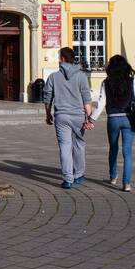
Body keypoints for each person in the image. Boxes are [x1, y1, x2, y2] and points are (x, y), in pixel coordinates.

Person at [43, 46, 95, 189]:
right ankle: (79, 174)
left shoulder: (53, 77)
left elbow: (47, 97)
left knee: (65, 147)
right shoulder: (81, 76)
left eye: (60, 57)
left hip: (61, 116)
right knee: (79, 144)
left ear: (63, 59)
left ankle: (68, 179)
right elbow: (86, 98)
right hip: (78, 116)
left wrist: (48, 114)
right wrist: (89, 119)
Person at [96, 55, 135, 191]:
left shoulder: (106, 82)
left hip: (113, 119)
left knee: (113, 148)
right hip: (129, 119)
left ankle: (113, 176)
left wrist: (91, 119)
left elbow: (101, 103)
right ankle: (126, 183)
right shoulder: (131, 81)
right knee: (127, 152)